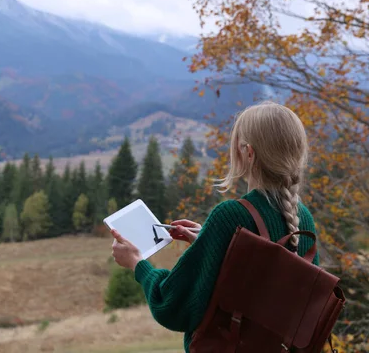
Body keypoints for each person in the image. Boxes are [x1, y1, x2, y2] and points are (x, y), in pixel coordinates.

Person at [110, 101, 319, 353]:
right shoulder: (302, 217)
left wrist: (136, 263)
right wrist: (207, 242)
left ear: (249, 153)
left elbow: (172, 304)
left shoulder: (230, 215)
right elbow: (263, 282)